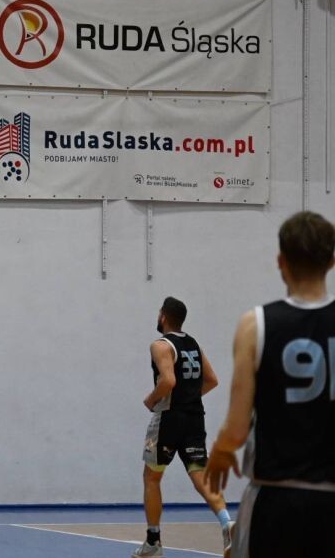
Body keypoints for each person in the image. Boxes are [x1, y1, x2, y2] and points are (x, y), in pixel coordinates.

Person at [205, 211, 335, 558]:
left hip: (277, 500)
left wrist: (222, 449)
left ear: (281, 261)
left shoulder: (256, 325)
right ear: (331, 262)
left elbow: (236, 429)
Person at [133, 297, 233, 558]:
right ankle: (227, 523)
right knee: (199, 475)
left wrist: (151, 399)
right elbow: (212, 380)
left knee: (152, 477)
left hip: (169, 419)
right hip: (195, 418)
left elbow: (168, 380)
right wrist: (189, 398)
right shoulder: (193, 344)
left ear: (163, 316)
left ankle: (153, 541)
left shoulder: (160, 345)